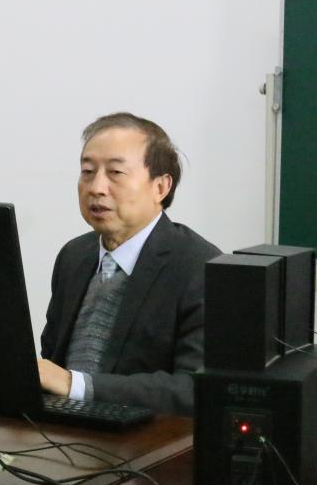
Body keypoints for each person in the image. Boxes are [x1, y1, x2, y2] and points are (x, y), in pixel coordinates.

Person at [38, 112, 221, 416]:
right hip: (61, 429)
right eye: (87, 171)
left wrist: (75, 385)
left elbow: (194, 389)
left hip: (146, 437)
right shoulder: (74, 255)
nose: (96, 187)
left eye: (115, 173)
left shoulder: (200, 267)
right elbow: (51, 361)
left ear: (160, 187)